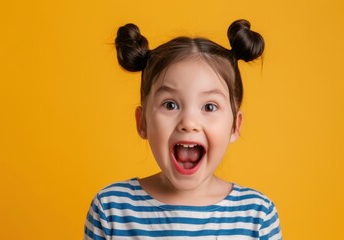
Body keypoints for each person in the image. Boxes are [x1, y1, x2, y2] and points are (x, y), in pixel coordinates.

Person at [84, 19, 282, 239]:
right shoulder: (112, 210)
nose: (188, 122)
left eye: (209, 106)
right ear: (143, 123)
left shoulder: (257, 216)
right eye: (170, 105)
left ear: (235, 126)